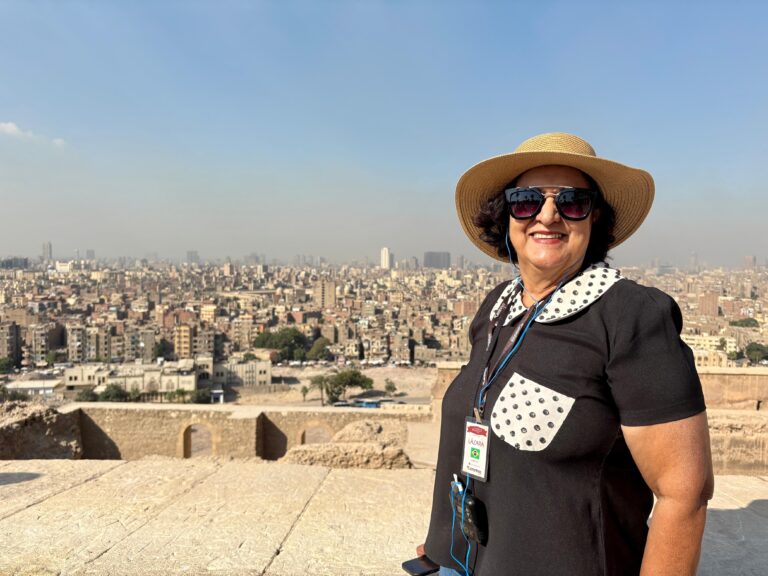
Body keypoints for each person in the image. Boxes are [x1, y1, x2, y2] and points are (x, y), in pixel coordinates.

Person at [420, 133, 714, 576]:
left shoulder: (629, 316)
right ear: (506, 214)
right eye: (526, 201)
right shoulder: (498, 306)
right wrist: (447, 539)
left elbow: (684, 493)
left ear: (595, 216)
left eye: (572, 202)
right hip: (461, 563)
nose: (547, 215)